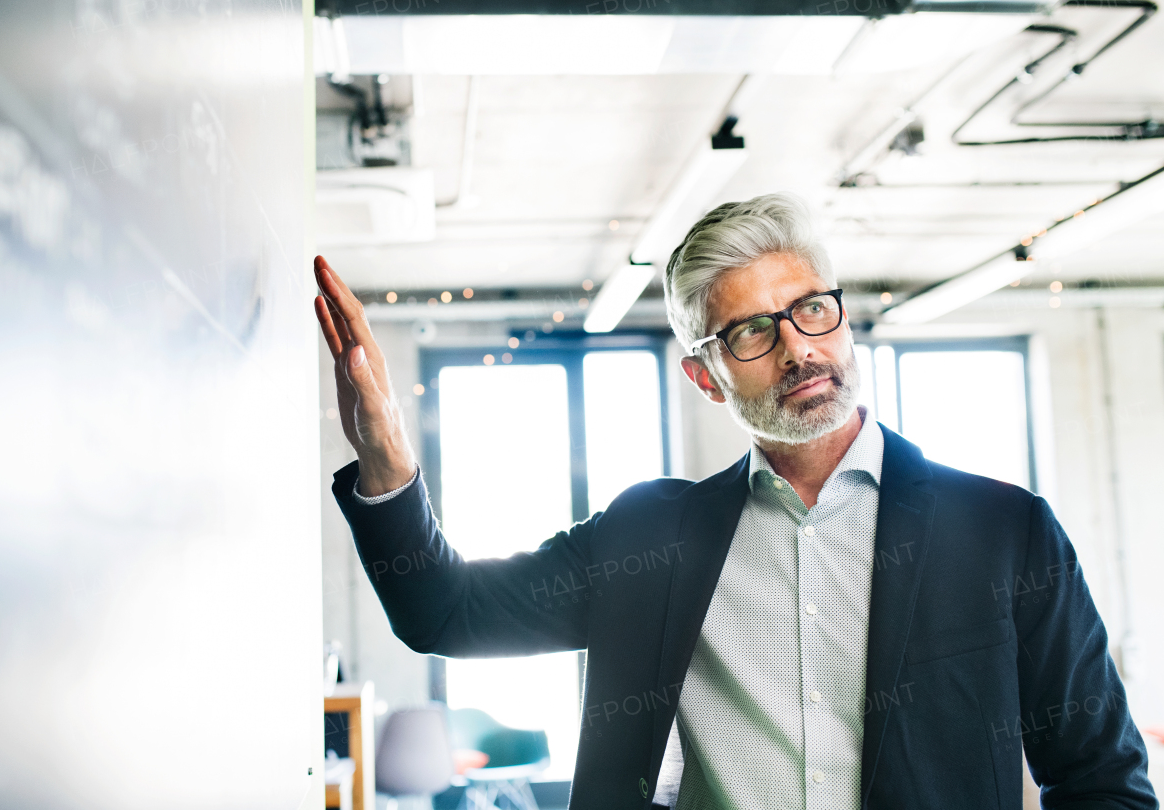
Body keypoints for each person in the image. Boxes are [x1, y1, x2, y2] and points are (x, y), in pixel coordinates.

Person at [313, 193, 1157, 810]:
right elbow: (448, 614)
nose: (795, 347)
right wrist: (385, 459)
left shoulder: (1004, 533)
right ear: (705, 376)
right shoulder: (652, 534)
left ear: (843, 323)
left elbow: (1102, 781)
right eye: (751, 331)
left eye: (809, 311)